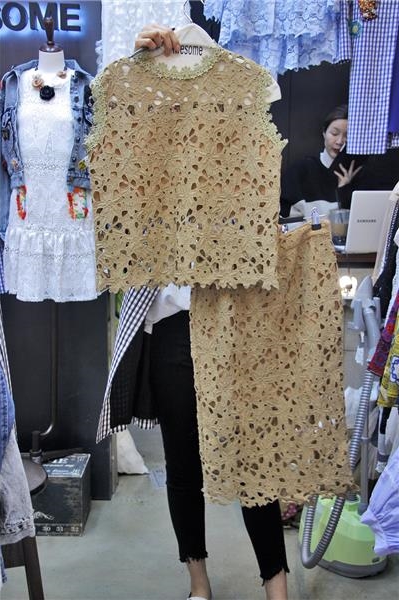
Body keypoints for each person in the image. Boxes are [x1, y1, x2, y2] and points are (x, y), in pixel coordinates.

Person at [133, 25, 289, 600]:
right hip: (174, 317)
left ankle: (277, 585)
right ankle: (198, 582)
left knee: (253, 454)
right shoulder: (149, 126)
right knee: (183, 461)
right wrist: (140, 62)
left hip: (233, 314)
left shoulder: (243, 122)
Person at [279, 104, 363, 218]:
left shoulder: (360, 174)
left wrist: (344, 190)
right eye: (334, 133)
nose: (339, 141)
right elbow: (284, 218)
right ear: (324, 133)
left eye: (347, 136)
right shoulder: (300, 170)